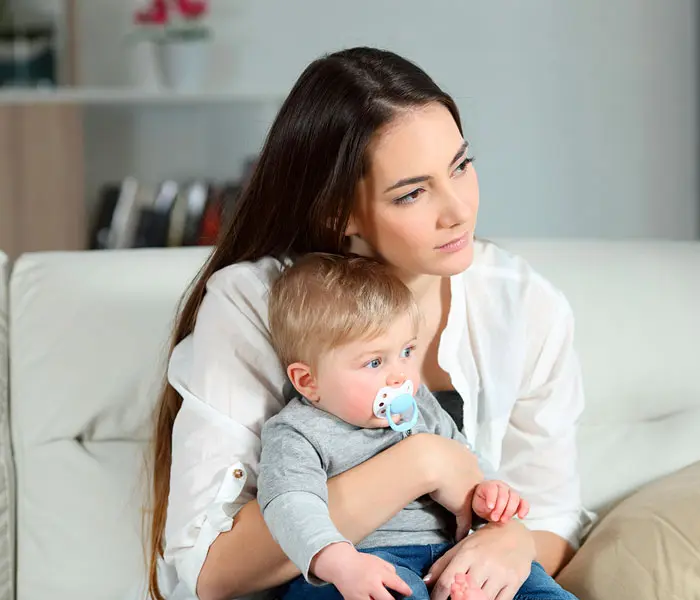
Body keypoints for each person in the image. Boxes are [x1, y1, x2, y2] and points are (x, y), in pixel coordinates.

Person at [147, 46, 594, 600]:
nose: (457, 209)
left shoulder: (524, 305)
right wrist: (424, 461)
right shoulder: (256, 304)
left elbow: (553, 516)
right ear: (340, 212)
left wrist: (511, 541)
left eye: (461, 165)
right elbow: (209, 573)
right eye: (412, 192)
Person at [258, 252, 576, 600]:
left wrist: (488, 496)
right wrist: (339, 562)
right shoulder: (297, 431)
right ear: (308, 381)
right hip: (362, 560)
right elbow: (290, 504)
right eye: (375, 361)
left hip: (448, 555)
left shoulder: (421, 405)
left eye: (407, 352)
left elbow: (466, 463)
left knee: (535, 587)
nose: (400, 376)